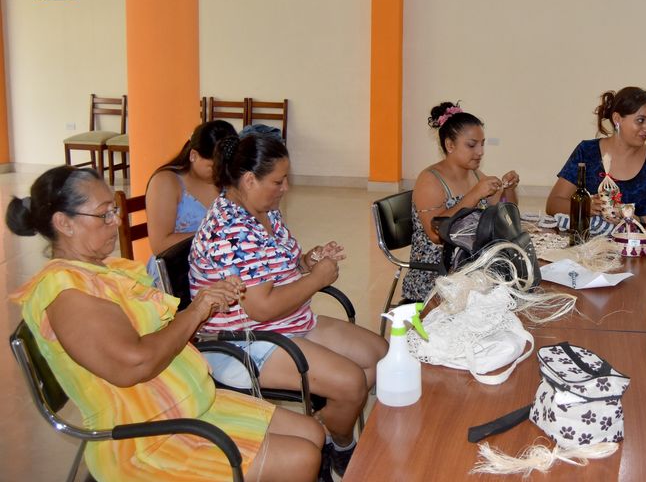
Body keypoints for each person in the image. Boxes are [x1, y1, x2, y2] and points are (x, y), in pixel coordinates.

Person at [6, 166, 323, 482]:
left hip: (188, 408)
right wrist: (196, 310)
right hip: (148, 436)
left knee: (312, 432)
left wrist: (206, 305)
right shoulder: (66, 293)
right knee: (303, 457)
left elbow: (159, 332)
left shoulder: (103, 270)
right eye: (104, 214)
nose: (116, 221)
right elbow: (135, 364)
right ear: (64, 223)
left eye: (115, 210)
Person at [189, 134, 387, 479]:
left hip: (285, 323)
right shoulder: (230, 230)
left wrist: (308, 262)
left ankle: (323, 430)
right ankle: (340, 447)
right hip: (246, 341)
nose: (286, 188)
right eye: (278, 181)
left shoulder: (264, 211)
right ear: (249, 180)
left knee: (380, 356)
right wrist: (317, 279)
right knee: (352, 383)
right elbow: (261, 308)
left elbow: (280, 264)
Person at [403, 101, 520, 302]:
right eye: (472, 145)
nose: (480, 152)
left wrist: (508, 189)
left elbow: (504, 212)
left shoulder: (473, 173)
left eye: (482, 144)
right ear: (450, 145)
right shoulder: (430, 180)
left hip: (469, 263)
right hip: (438, 273)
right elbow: (435, 234)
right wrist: (474, 195)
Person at [546, 87, 646, 229]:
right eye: (641, 120)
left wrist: (637, 221)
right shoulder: (587, 151)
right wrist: (584, 206)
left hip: (637, 242)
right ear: (617, 119)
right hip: (592, 241)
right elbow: (553, 204)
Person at [145, 120, 238, 280]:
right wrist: (215, 235)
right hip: (178, 271)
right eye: (214, 168)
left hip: (220, 266)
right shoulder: (167, 182)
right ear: (193, 155)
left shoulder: (228, 179)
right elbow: (159, 245)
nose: (221, 174)